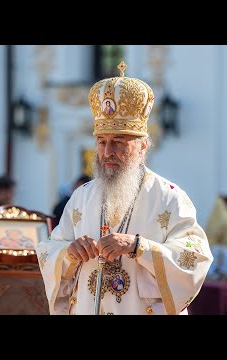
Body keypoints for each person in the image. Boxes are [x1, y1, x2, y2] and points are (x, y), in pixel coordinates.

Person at [36, 62, 213, 315]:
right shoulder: (81, 196)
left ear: (142, 146)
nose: (107, 152)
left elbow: (194, 258)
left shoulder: (170, 197)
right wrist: (69, 252)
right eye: (102, 142)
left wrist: (138, 246)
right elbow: (49, 251)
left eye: (118, 142)